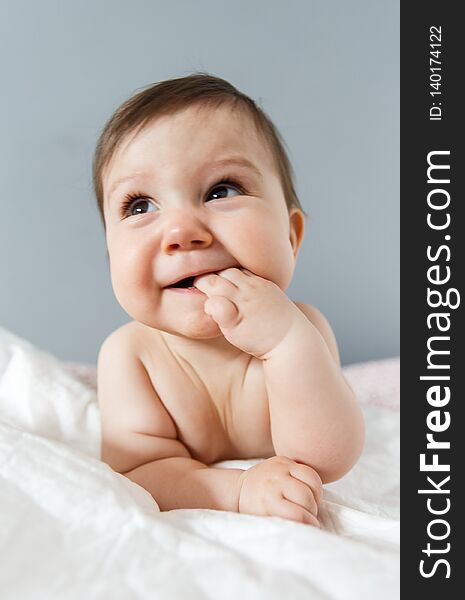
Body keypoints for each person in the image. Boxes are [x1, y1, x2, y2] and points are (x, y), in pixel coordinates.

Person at [95, 73, 365, 527]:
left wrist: (283, 343)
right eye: (140, 205)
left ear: (291, 236)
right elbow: (138, 473)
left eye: (222, 190)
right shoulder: (131, 357)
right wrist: (239, 490)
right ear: (109, 255)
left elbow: (328, 458)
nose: (181, 233)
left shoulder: (302, 328)